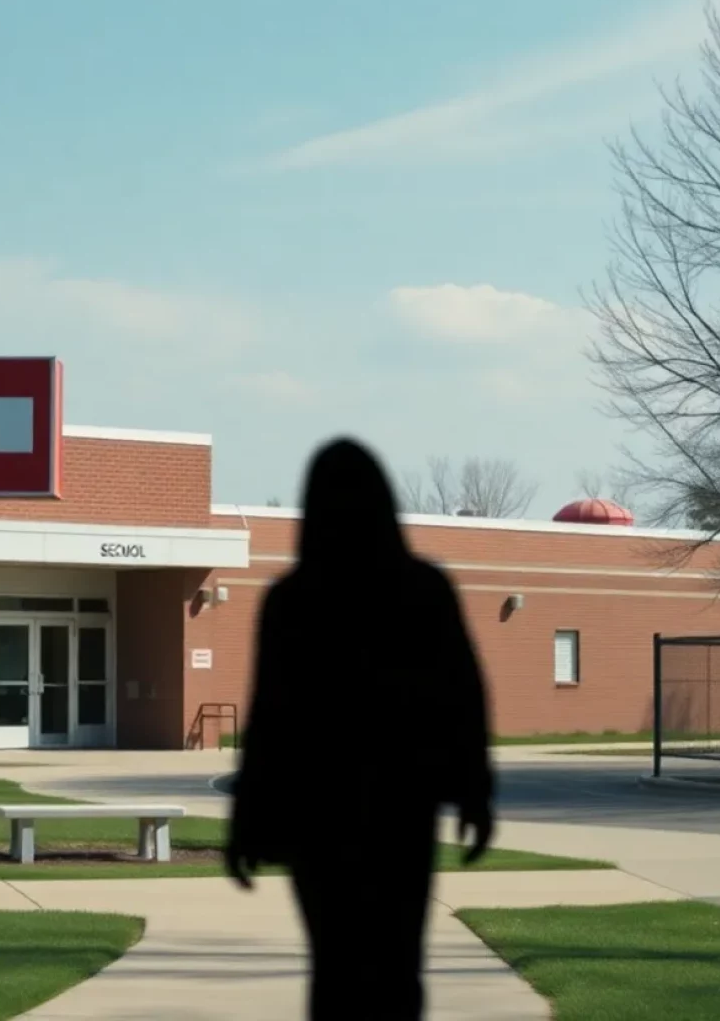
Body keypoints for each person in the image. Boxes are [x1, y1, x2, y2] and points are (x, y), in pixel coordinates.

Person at [226, 436, 494, 1020]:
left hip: (317, 814)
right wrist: (475, 793)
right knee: (398, 962)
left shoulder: (292, 601)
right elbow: (464, 699)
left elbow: (269, 720)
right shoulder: (422, 589)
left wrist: (248, 819)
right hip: (402, 809)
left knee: (337, 965)